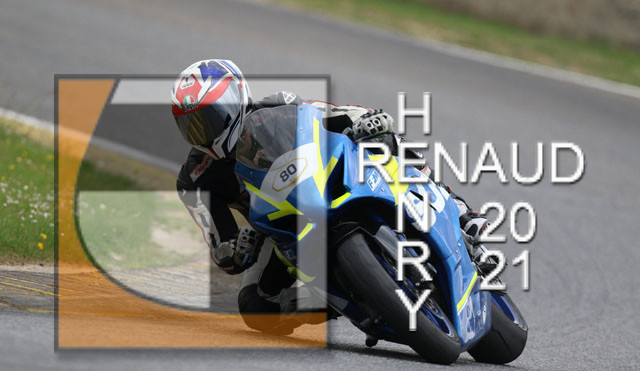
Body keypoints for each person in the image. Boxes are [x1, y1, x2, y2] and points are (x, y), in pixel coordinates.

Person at [171, 59, 488, 334]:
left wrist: (366, 121)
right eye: (190, 126)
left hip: (326, 181)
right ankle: (344, 300)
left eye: (208, 119)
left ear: (233, 100)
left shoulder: (276, 106)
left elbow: (333, 113)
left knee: (385, 140)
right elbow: (221, 248)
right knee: (255, 307)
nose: (201, 133)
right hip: (277, 229)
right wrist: (238, 247)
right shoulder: (195, 179)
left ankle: (461, 212)